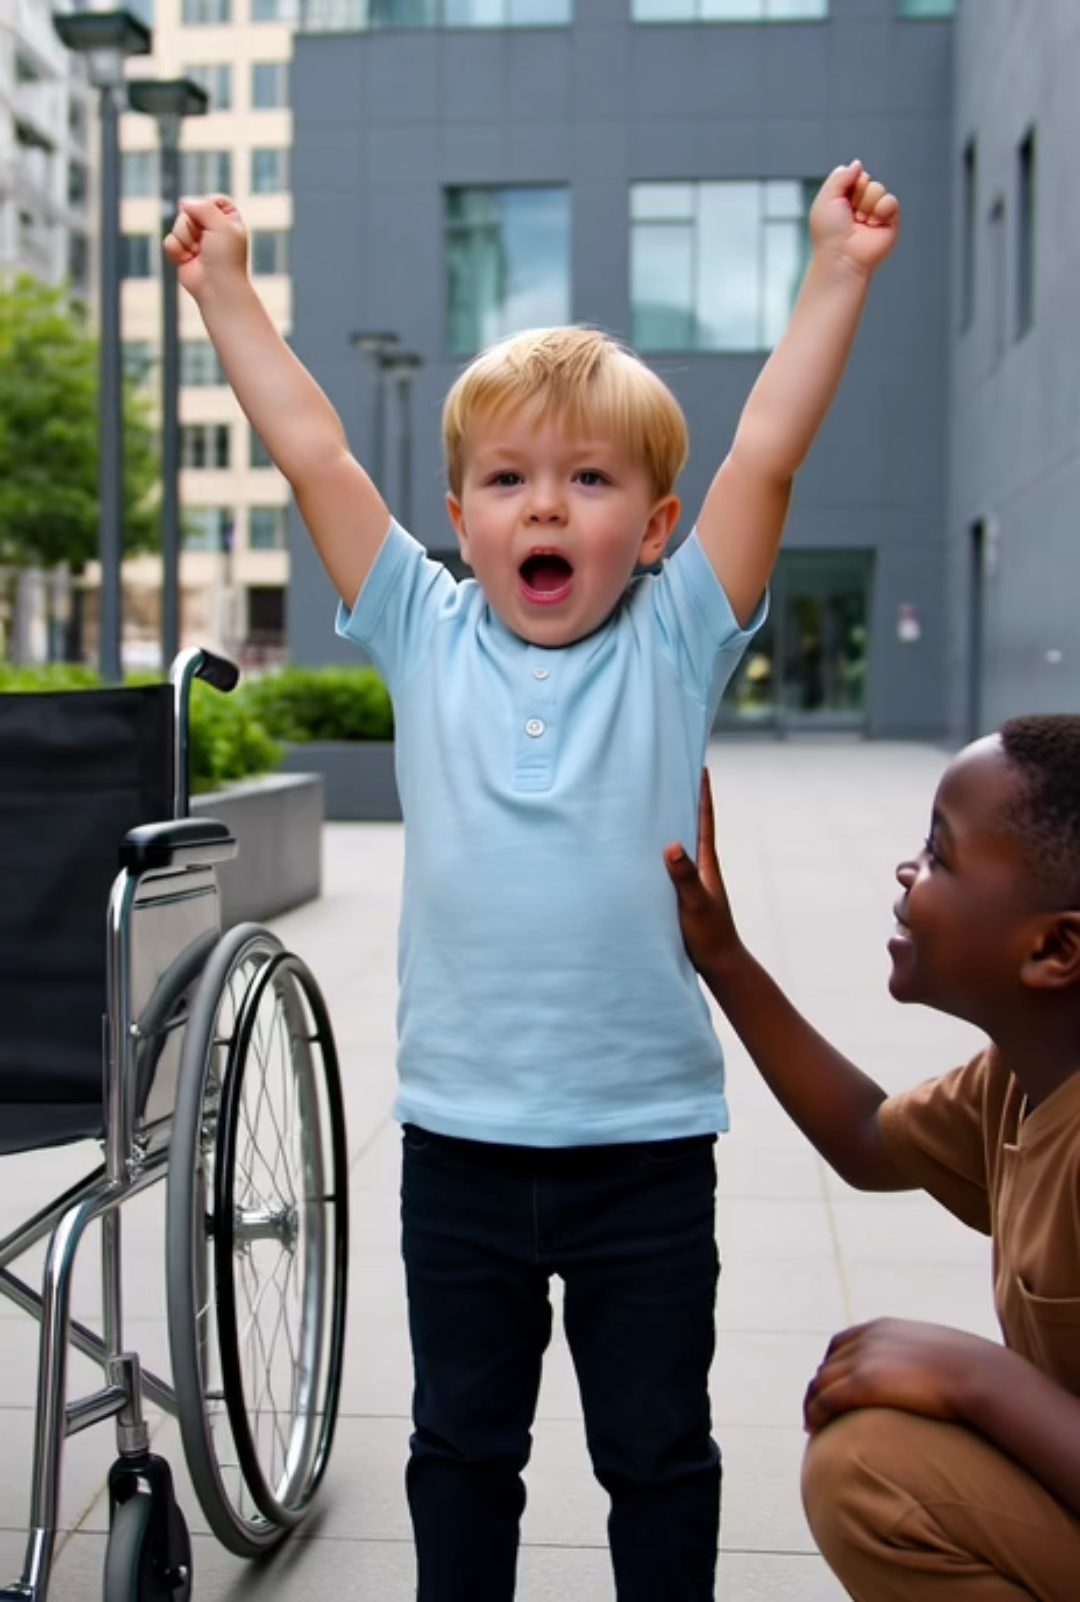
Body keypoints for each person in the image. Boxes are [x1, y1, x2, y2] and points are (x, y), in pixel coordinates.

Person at [165, 160, 899, 1601]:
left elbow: (765, 455)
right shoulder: (422, 628)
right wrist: (226, 294)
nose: (544, 506)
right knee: (460, 1449)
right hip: (460, 1147)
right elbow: (316, 456)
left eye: (589, 480)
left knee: (658, 1453)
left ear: (658, 524)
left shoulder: (677, 638)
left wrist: (836, 274)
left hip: (644, 1148)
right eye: (507, 481)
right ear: (459, 515)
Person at [664, 724, 1080, 1601]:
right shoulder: (1020, 1080)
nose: (906, 870)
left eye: (940, 854)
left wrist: (978, 1379)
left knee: (872, 1472)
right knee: (876, 1445)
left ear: (1054, 950)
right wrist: (722, 955)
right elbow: (865, 1138)